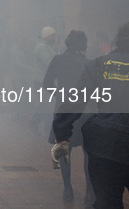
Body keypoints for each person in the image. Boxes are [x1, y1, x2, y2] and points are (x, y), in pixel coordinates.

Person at [51, 22, 129, 208]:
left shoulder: (98, 65)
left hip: (105, 143)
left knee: (107, 201)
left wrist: (62, 132)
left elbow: (73, 102)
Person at [43, 30, 94, 203]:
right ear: (83, 45)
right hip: (84, 112)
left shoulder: (58, 60)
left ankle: (68, 189)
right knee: (89, 153)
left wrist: (60, 95)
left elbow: (47, 84)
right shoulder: (88, 63)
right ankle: (89, 191)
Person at [30, 26, 58, 135]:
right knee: (45, 104)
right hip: (42, 81)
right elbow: (49, 62)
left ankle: (47, 126)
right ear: (48, 36)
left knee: (49, 104)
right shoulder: (42, 47)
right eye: (53, 35)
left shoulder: (48, 46)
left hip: (46, 80)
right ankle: (34, 122)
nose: (55, 37)